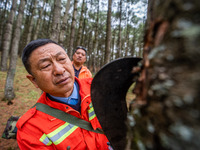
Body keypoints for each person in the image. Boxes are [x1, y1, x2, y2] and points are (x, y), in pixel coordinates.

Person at [16, 39, 109, 149]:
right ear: (34, 81)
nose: (59, 70)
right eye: (46, 66)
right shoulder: (31, 130)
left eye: (61, 59)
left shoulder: (99, 87)